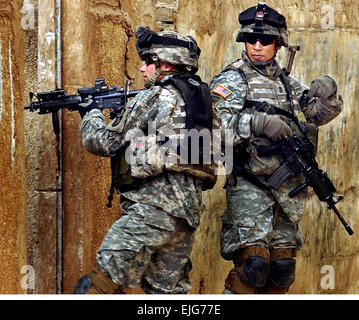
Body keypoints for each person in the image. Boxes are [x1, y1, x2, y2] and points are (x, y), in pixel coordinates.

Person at [210, 2, 343, 294]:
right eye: (250, 39)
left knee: (282, 270)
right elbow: (216, 130)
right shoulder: (232, 79)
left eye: (266, 40)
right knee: (253, 267)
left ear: (279, 43)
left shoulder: (287, 83)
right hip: (249, 186)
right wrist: (257, 122)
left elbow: (318, 117)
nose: (257, 46)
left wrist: (328, 93)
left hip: (288, 192)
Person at [73, 26, 218, 294]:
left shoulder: (155, 96)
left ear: (165, 63)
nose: (141, 69)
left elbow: (103, 142)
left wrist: (91, 113)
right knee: (168, 294)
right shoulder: (204, 101)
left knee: (98, 285)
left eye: (148, 62)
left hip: (151, 212)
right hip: (185, 217)